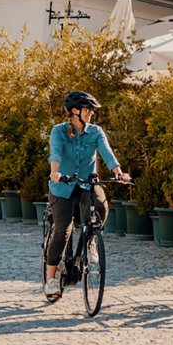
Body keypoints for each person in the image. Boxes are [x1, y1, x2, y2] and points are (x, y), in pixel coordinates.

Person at [43, 91, 131, 299]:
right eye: (87, 109)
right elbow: (55, 152)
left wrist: (118, 173)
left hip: (86, 183)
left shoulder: (96, 132)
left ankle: (91, 239)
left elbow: (107, 152)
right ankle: (51, 280)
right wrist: (55, 171)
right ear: (75, 111)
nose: (91, 113)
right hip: (62, 185)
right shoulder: (59, 131)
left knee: (101, 205)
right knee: (63, 230)